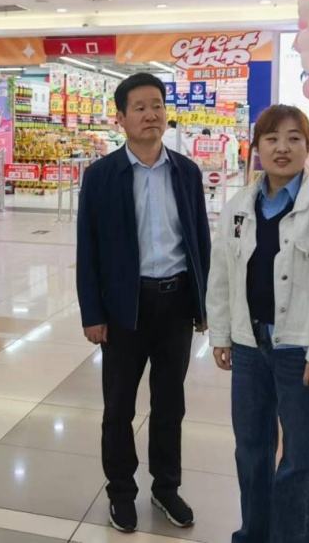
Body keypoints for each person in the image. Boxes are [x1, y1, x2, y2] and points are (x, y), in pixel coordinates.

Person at [206, 105, 309, 543]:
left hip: (302, 352)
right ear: (257, 147)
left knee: (300, 459)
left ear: (308, 147)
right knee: (251, 451)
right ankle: (253, 535)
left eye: (294, 138)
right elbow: (222, 275)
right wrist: (221, 335)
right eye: (272, 138)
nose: (282, 148)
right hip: (249, 346)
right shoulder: (239, 206)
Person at [77, 73, 211, 534]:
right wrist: (92, 313)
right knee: (118, 406)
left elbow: (200, 241)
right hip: (124, 308)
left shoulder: (186, 172)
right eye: (140, 107)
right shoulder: (101, 176)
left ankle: (166, 487)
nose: (151, 115)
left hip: (175, 304)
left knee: (170, 403)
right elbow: (88, 248)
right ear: (120, 118)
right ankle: (121, 491)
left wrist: (203, 305)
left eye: (157, 105)